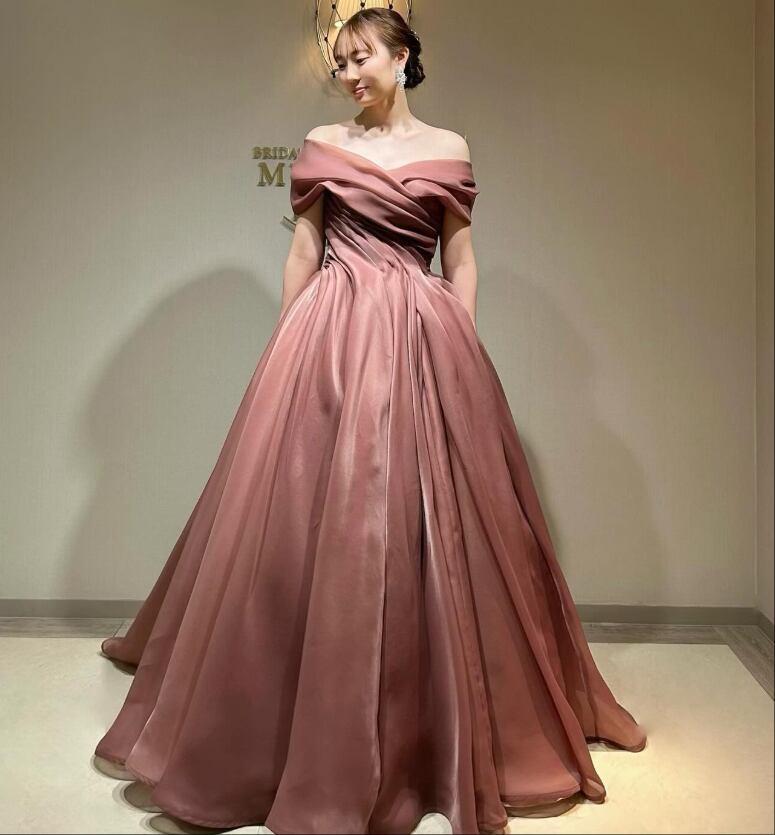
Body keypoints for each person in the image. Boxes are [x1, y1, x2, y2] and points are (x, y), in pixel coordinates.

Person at [94, 8, 647, 835]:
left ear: (402, 56)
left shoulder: (449, 147)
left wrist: (458, 341)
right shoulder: (323, 143)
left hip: (423, 335)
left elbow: (459, 259)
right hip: (331, 334)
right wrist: (285, 344)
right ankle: (286, 717)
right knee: (314, 518)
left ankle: (433, 718)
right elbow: (303, 251)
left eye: (361, 58)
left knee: (430, 523)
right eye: (340, 63)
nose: (349, 74)